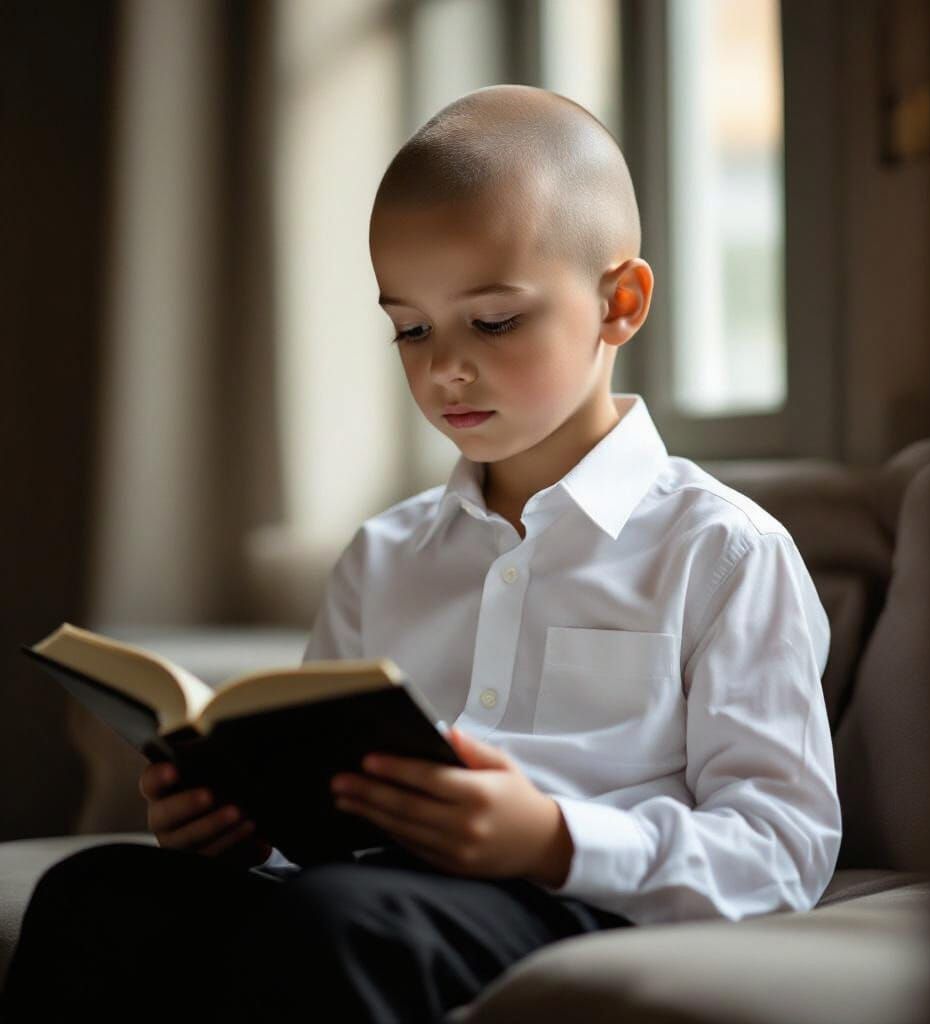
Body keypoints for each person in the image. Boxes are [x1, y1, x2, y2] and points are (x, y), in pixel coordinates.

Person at [1, 83, 841, 1023]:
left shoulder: (722, 551)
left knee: (346, 921)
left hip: (573, 898)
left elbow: (784, 845)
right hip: (362, 888)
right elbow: (319, 812)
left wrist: (554, 839)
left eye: (492, 321)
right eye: (410, 327)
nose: (445, 367)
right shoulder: (385, 553)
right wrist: (238, 829)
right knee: (98, 894)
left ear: (621, 302)